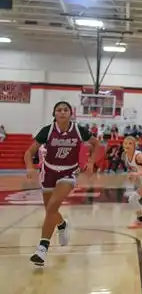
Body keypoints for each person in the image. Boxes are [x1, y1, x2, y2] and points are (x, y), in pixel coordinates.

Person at [24, 101, 100, 266]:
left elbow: (96, 143)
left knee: (52, 207)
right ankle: (62, 224)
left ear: (70, 113)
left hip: (69, 171)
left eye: (65, 110)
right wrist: (30, 167)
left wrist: (91, 161)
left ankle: (42, 249)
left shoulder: (78, 130)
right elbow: (29, 152)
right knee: (51, 210)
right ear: (55, 114)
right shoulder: (47, 130)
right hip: (48, 172)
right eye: (59, 110)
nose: (62, 112)